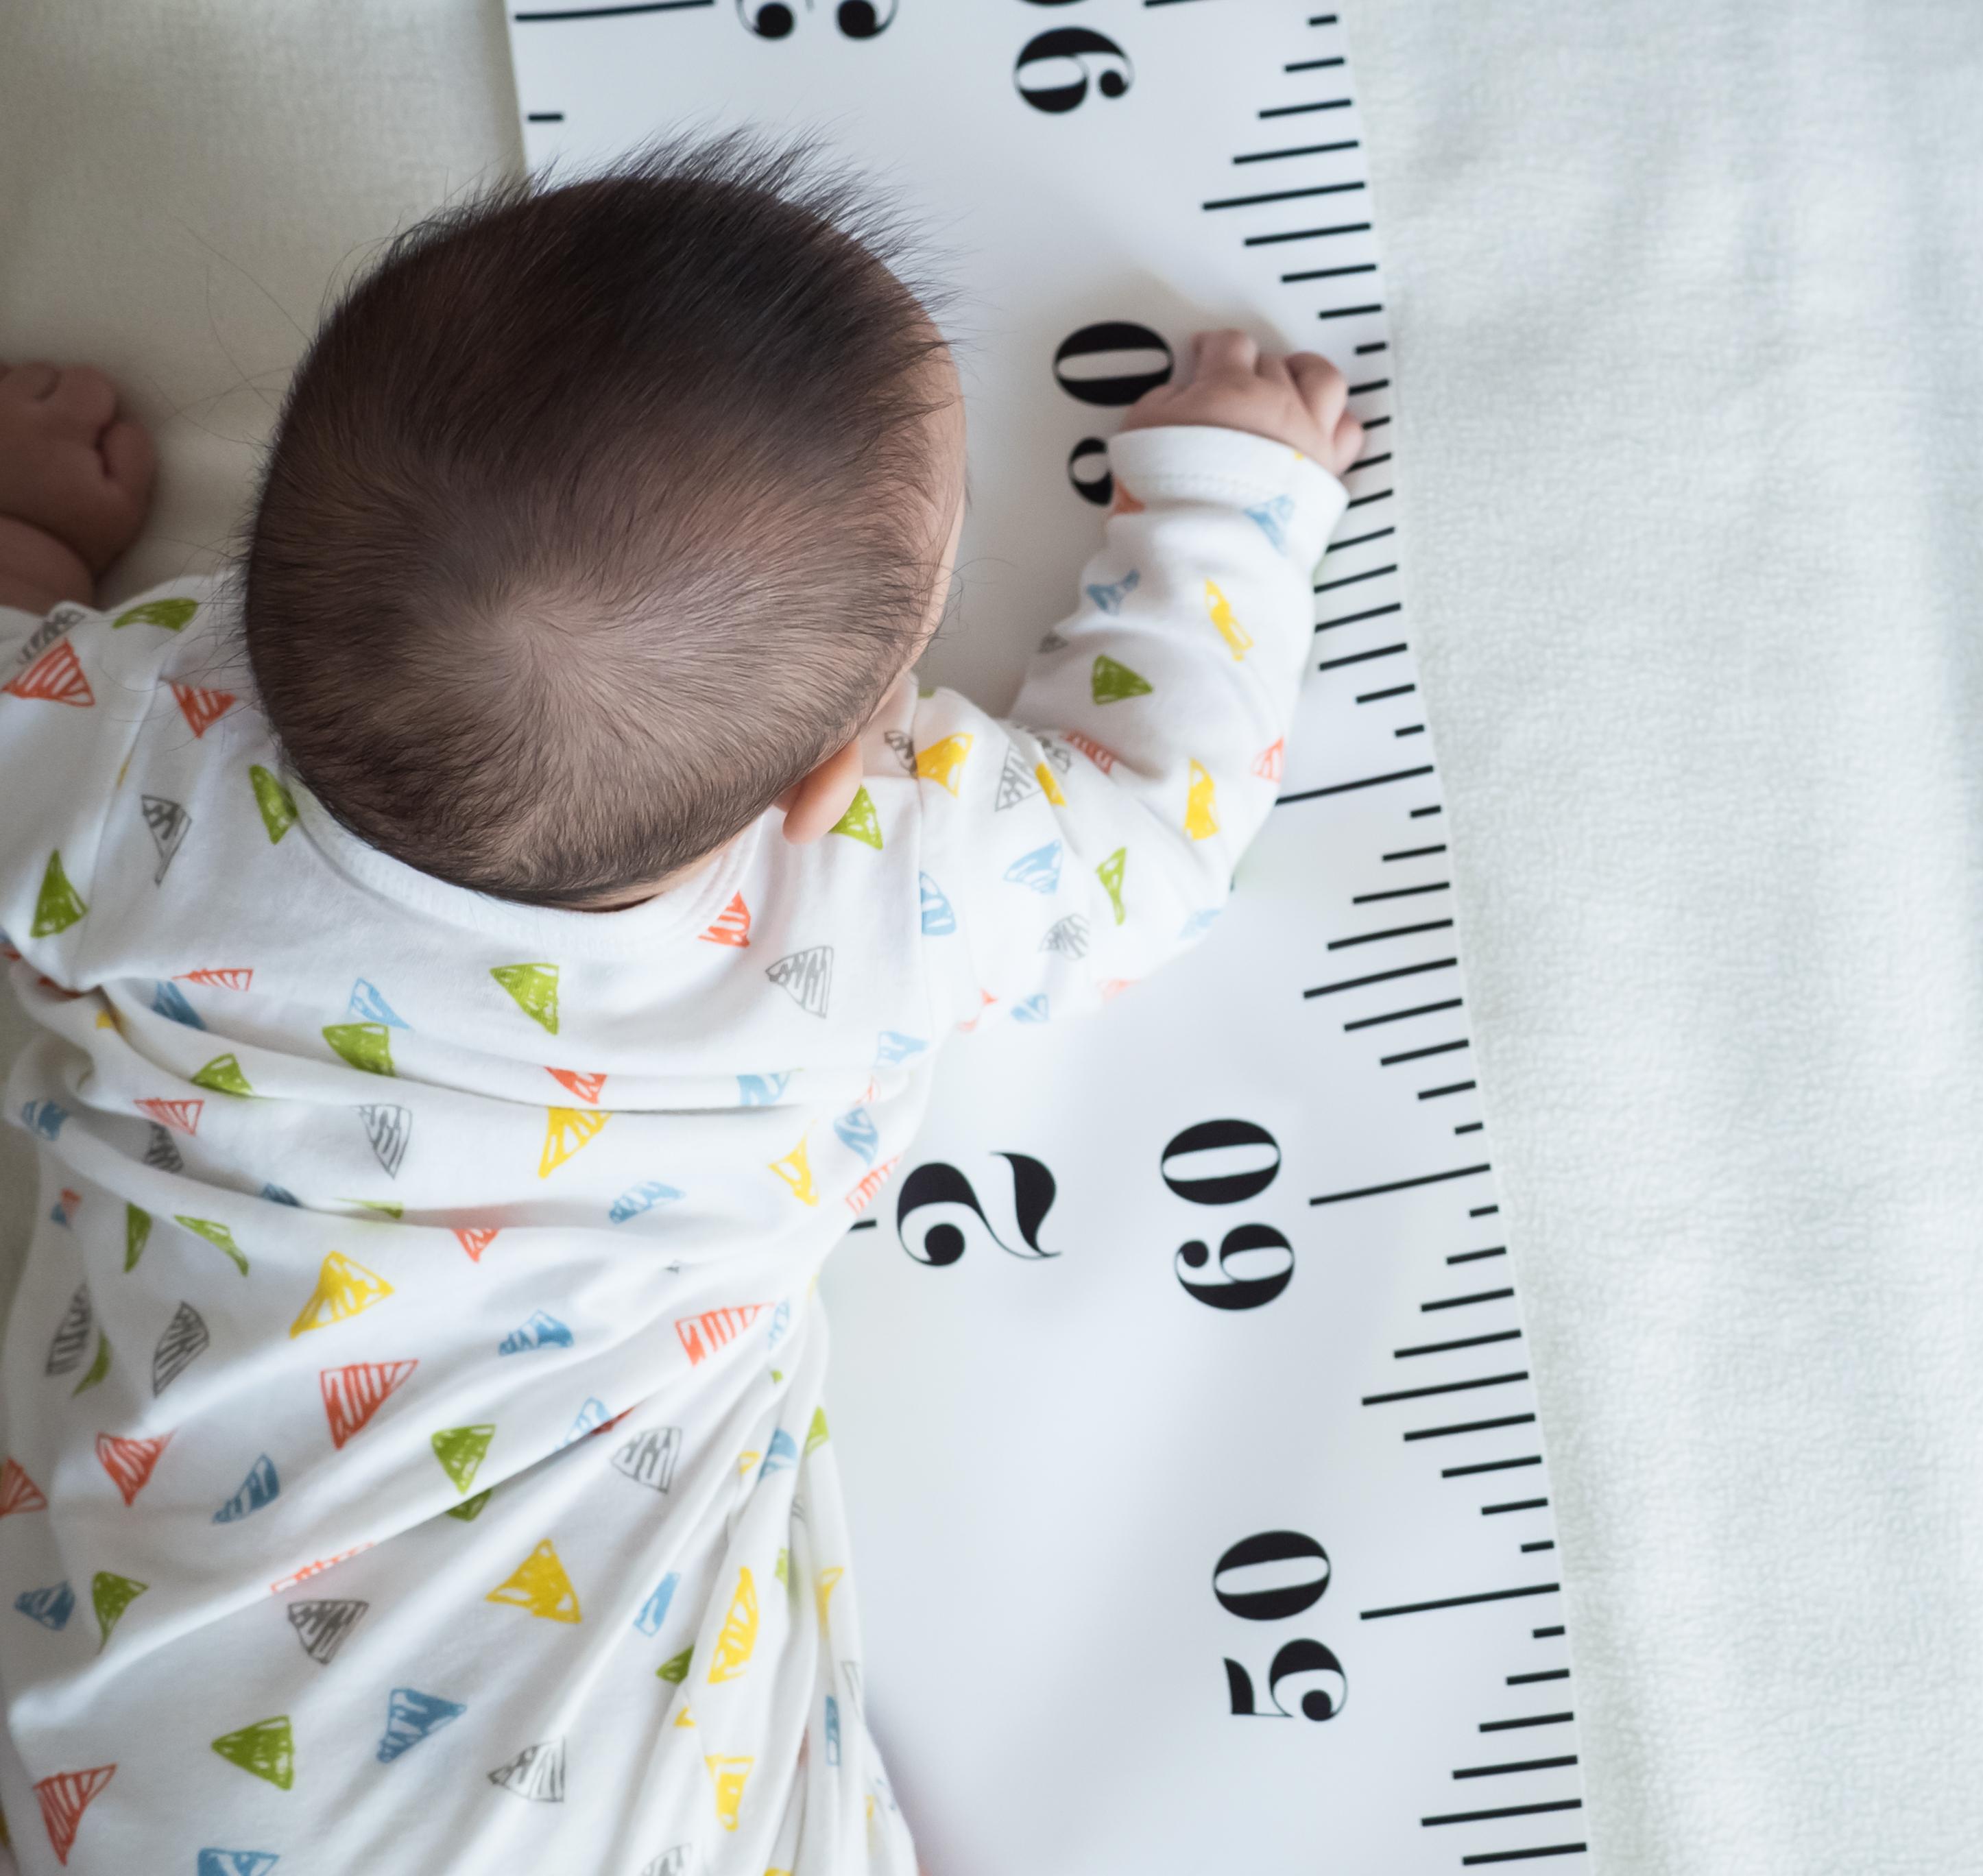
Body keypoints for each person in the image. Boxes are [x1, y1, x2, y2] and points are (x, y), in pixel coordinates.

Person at [0, 136, 1359, 1873]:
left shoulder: (125, 761)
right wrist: (1230, 507)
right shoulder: (871, 886)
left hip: (165, 1758)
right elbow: (1151, 840)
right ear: (829, 768)